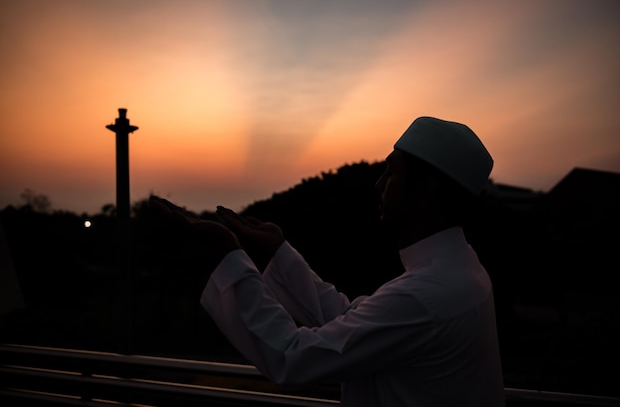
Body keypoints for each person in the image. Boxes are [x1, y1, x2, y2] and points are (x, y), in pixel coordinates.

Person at [149, 116, 505, 406]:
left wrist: (227, 254)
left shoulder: (426, 293)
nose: (378, 185)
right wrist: (278, 252)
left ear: (427, 190)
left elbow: (294, 355)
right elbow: (350, 322)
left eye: (391, 173)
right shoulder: (459, 272)